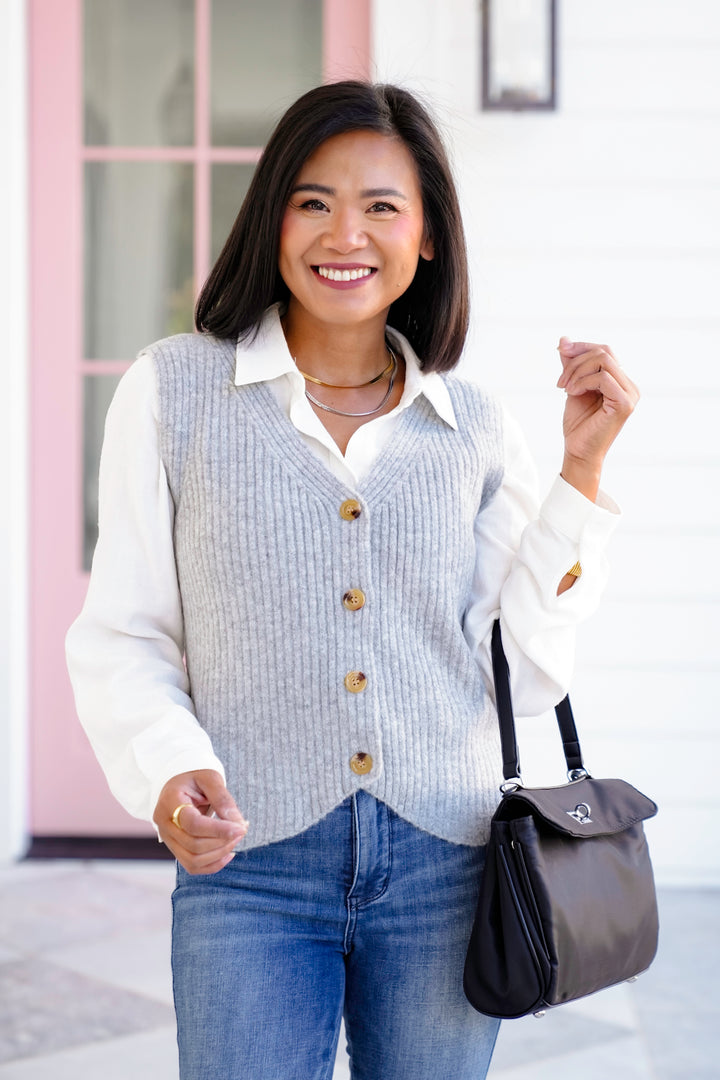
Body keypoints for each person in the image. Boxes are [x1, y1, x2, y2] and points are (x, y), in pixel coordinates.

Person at [66, 81, 639, 1080]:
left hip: (447, 865)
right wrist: (165, 768)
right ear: (273, 217)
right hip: (249, 871)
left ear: (426, 240)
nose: (347, 233)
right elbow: (125, 633)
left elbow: (529, 668)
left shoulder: (473, 425)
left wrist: (580, 474)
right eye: (314, 200)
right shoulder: (172, 394)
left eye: (382, 206)